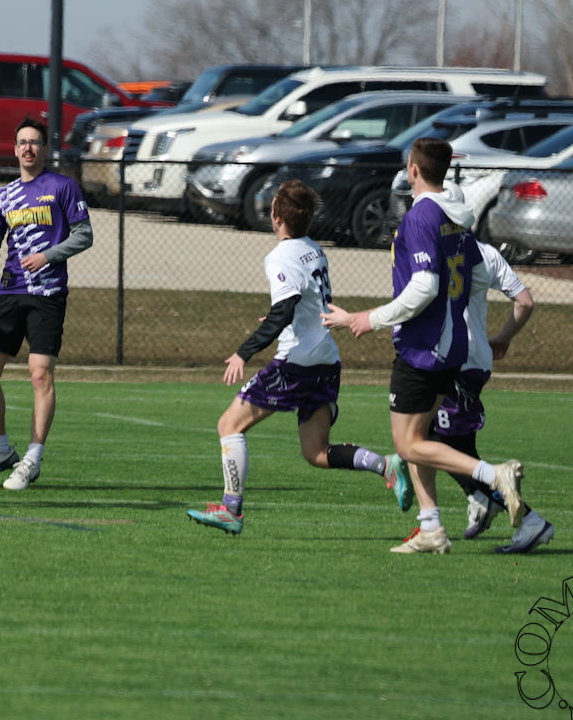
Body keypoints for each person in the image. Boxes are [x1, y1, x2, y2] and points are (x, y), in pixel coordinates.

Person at [323, 138, 525, 554]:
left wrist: (368, 319)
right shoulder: (456, 216)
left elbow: (425, 286)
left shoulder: (421, 216)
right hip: (450, 346)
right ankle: (431, 527)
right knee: (420, 440)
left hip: (423, 347)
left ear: (413, 169)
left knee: (408, 444)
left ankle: (493, 477)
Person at [187, 181, 412, 534]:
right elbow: (302, 303)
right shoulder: (314, 249)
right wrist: (280, 315)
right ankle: (385, 465)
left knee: (229, 425)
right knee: (316, 452)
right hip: (326, 360)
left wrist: (243, 352)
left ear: (276, 217)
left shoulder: (279, 256)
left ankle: (231, 510)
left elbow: (285, 309)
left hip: (297, 362)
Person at [0, 116, 93, 490]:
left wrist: (48, 256)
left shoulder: (62, 186)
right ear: (15, 148)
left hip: (47, 294)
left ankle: (33, 459)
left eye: (35, 142)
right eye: (22, 142)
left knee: (40, 374)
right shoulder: (5, 194)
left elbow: (84, 235)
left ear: (44, 149)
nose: (28, 148)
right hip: (10, 292)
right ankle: (1, 450)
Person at [436, 238, 552, 554]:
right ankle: (480, 498)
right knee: (456, 446)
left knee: (426, 441)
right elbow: (525, 302)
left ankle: (528, 519)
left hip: (450, 359)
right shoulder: (486, 252)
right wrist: (504, 337)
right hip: (477, 360)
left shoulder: (435, 246)